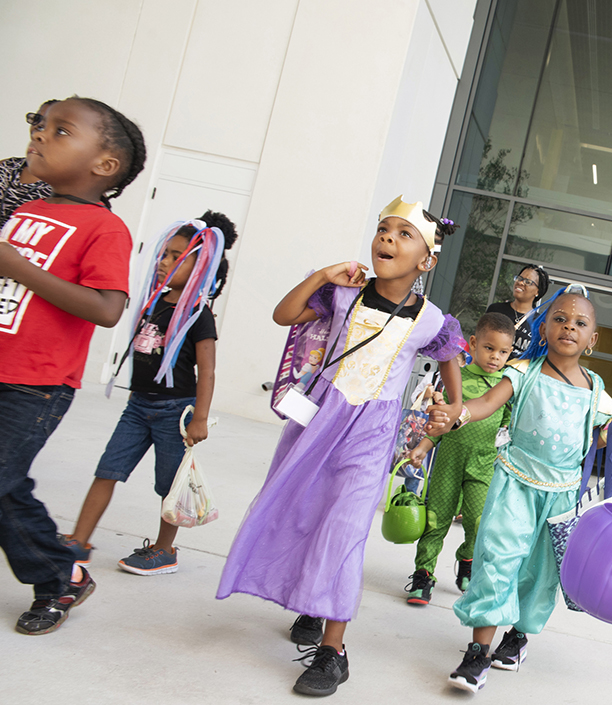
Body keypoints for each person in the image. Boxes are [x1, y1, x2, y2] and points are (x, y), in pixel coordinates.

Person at [216, 196, 465, 697]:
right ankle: (312, 603)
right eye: (383, 229)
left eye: (403, 234)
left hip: (371, 435)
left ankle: (333, 651)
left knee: (345, 528)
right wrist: (323, 275)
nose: (388, 239)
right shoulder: (343, 294)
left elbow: (452, 377)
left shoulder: (432, 320)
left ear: (426, 260)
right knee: (304, 512)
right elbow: (283, 314)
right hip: (314, 424)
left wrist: (451, 410)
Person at [426, 284, 612, 694]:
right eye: (560, 319)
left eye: (580, 323)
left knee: (540, 573)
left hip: (563, 493)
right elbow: (487, 405)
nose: (569, 327)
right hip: (515, 482)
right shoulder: (522, 371)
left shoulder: (596, 390)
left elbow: (594, 442)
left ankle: (519, 635)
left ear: (592, 339)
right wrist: (458, 413)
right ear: (544, 328)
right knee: (497, 556)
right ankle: (478, 651)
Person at [0, 96, 146, 635]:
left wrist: (18, 265)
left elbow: (108, 308)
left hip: (35, 383)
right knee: (5, 484)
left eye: (61, 130)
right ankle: (62, 574)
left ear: (104, 166)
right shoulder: (27, 209)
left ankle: (59, 573)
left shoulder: (104, 229)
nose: (39, 133)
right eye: (39, 123)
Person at [60, 211, 238, 575]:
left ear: (200, 267)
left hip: (176, 412)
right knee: (107, 470)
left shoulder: (198, 314)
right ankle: (79, 541)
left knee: (169, 485)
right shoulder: (151, 301)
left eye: (176, 257)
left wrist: (200, 418)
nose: (164, 262)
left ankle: (164, 549)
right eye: (164, 254)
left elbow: (207, 370)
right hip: (137, 407)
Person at [405, 311, 516, 605]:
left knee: (479, 523)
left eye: (503, 352)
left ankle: (467, 559)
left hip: (484, 464)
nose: (495, 357)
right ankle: (423, 575)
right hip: (449, 462)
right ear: (473, 343)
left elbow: (508, 428)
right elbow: (441, 423)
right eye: (489, 348)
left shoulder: (506, 387)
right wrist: (422, 447)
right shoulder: (457, 379)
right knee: (435, 519)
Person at [0, 100, 58, 227]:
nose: (39, 126)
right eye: (37, 119)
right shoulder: (6, 166)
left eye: (50, 123)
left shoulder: (69, 185)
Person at [486, 264, 548, 355]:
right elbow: (481, 341)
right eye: (519, 278)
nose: (521, 283)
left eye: (528, 282)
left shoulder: (540, 324)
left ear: (537, 291)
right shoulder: (495, 310)